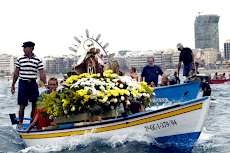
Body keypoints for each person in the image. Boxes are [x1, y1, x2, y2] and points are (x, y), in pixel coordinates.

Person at [11, 41, 47, 130]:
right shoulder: (20, 59)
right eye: (23, 48)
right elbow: (16, 73)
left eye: (25, 47)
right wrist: (13, 85)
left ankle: (32, 123)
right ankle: (20, 123)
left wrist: (45, 83)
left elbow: (41, 73)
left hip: (33, 83)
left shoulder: (37, 59)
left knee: (35, 104)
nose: (23, 49)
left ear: (31, 48)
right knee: (22, 105)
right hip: (23, 83)